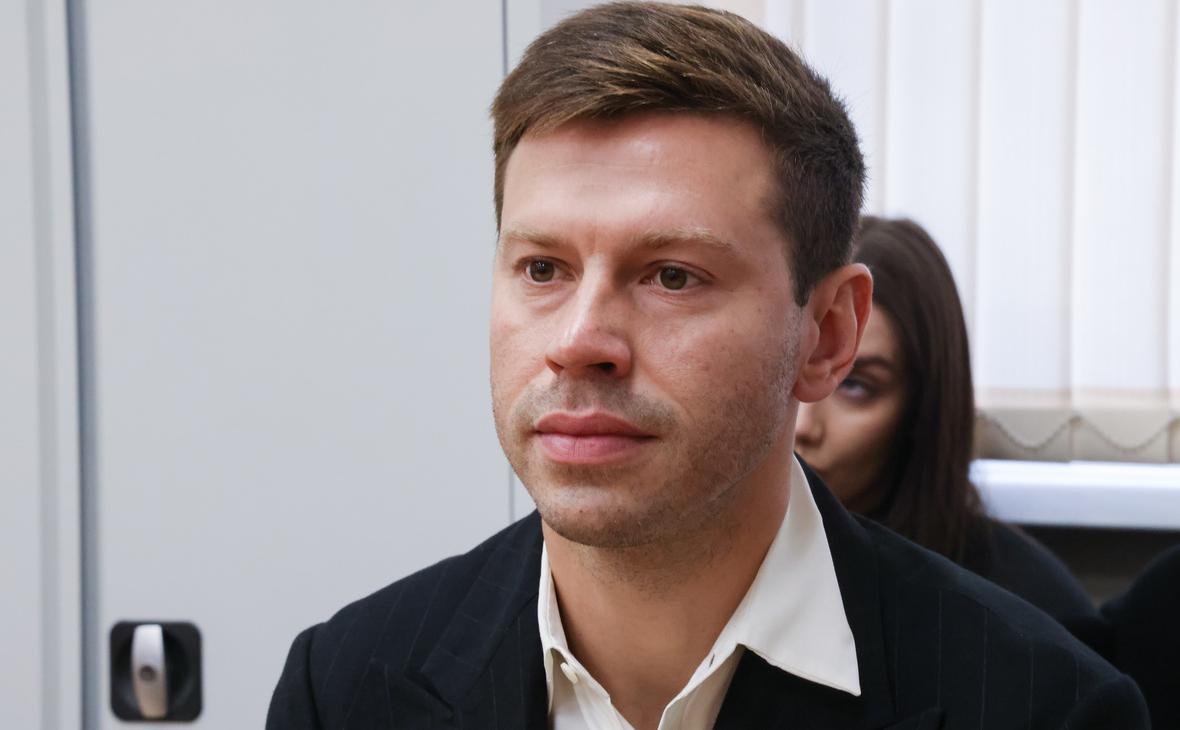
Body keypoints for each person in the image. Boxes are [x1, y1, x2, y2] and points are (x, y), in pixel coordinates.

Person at [267, 4, 1147, 728]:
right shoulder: (344, 686)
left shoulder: (1044, 705)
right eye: (542, 269)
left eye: (672, 276)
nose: (579, 339)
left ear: (826, 335)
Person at [795, 216, 1098, 625]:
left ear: (921, 409)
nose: (803, 425)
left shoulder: (1026, 615)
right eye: (790, 369)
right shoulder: (728, 577)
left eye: (855, 386)